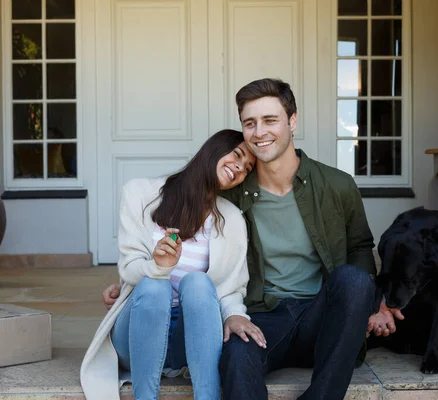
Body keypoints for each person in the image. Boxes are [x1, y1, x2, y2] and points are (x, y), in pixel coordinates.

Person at [101, 79, 404, 399]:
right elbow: (180, 210)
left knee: (354, 280)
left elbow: (359, 248)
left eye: (270, 120)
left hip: (319, 313)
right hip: (262, 316)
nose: (260, 132)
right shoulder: (230, 191)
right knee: (234, 356)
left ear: (292, 121)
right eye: (250, 123)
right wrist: (129, 282)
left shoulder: (337, 184)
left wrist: (373, 304)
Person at [80, 129, 265, 400]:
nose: (240, 168)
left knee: (198, 282)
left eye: (247, 168)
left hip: (188, 339)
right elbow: (129, 267)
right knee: (155, 287)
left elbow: (230, 288)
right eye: (237, 154)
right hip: (136, 336)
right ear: (212, 150)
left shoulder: (232, 219)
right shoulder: (140, 193)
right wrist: (157, 266)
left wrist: (235, 314)